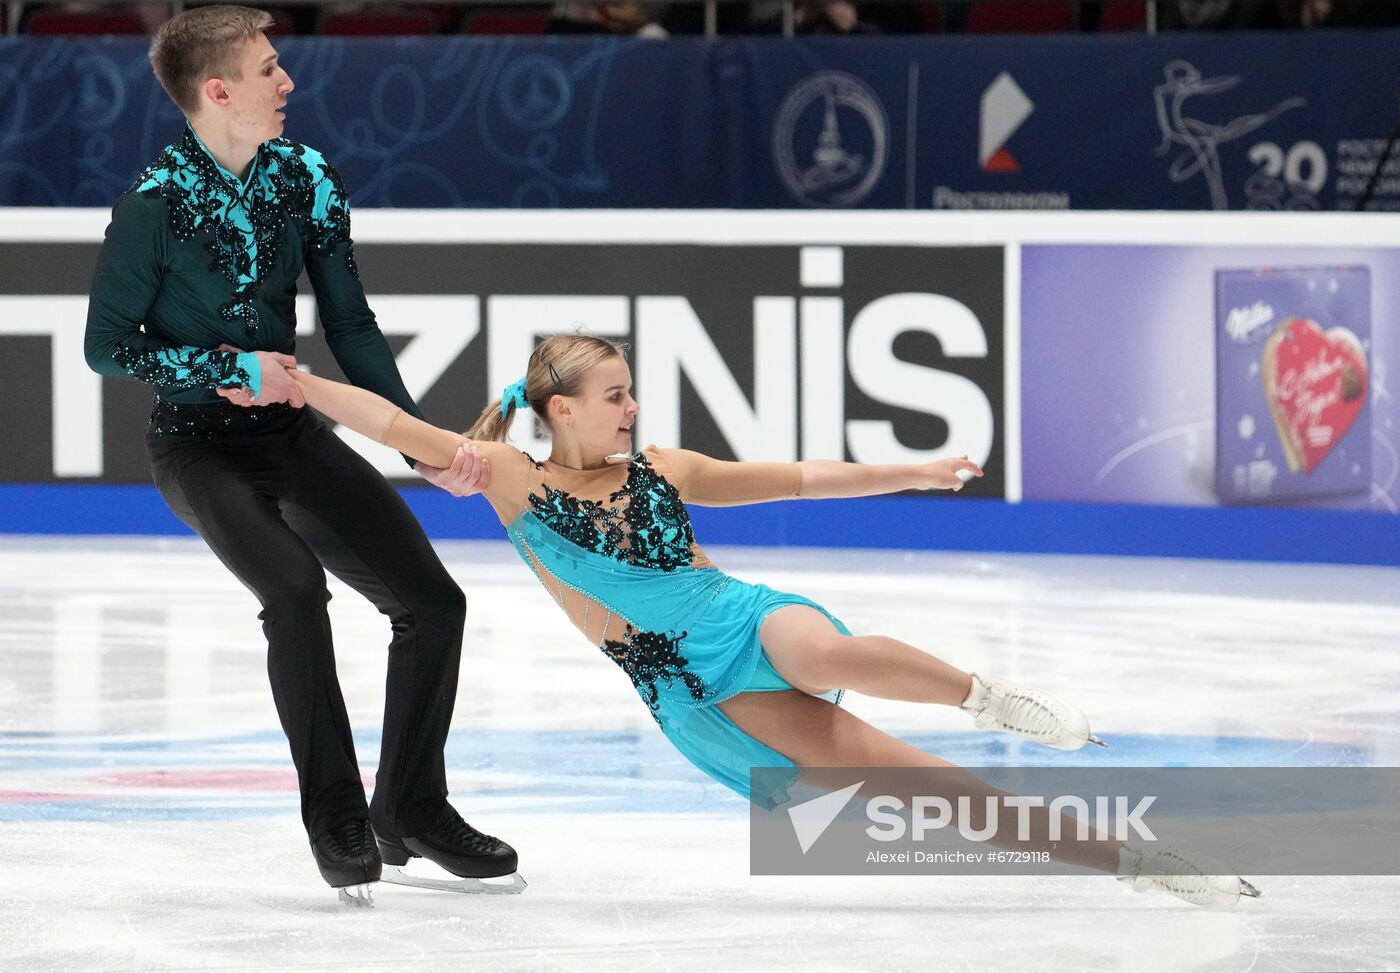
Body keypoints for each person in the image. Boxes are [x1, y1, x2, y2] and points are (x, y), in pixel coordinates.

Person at [275, 333, 1261, 910]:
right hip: (682, 685)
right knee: (910, 781)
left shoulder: (666, 468)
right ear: (562, 411)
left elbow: (797, 476)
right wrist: (302, 386)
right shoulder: (508, 480)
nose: (628, 409)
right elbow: (399, 429)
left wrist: (910, 471)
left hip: (739, 619)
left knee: (821, 646)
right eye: (612, 396)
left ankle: (986, 694)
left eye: (630, 393)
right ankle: (1137, 864)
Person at [83, 5, 519, 900]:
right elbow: (105, 343)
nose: (288, 82)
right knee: (292, 588)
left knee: (434, 602)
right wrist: (220, 365)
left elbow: (350, 325)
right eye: (269, 69)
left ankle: (410, 807)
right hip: (198, 447)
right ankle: (336, 815)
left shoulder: (305, 177)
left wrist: (426, 448)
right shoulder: (153, 205)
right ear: (218, 91)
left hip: (289, 438)